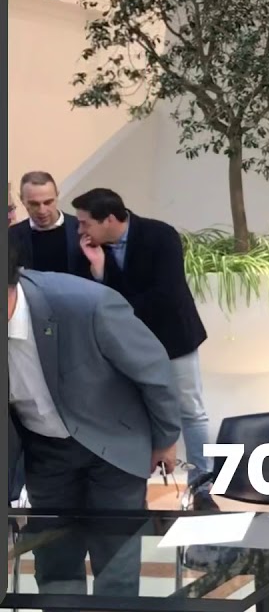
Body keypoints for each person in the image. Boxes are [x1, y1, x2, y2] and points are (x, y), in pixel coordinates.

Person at [8, 239, 182, 599]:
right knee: (53, 557)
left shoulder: (87, 304)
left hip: (113, 441)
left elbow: (155, 372)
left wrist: (165, 438)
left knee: (115, 556)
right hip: (44, 449)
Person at [70, 188, 213, 505]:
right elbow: (89, 299)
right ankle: (135, 492)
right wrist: (98, 270)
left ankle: (203, 486)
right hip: (126, 346)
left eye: (85, 223)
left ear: (109, 219)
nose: (80, 230)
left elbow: (166, 295)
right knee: (135, 415)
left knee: (191, 410)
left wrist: (118, 307)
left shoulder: (160, 235)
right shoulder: (88, 249)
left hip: (173, 338)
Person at [9, 172, 81, 274]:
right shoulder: (12, 235)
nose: (42, 211)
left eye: (48, 202)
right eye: (34, 204)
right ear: (22, 200)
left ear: (57, 196)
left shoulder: (81, 229)